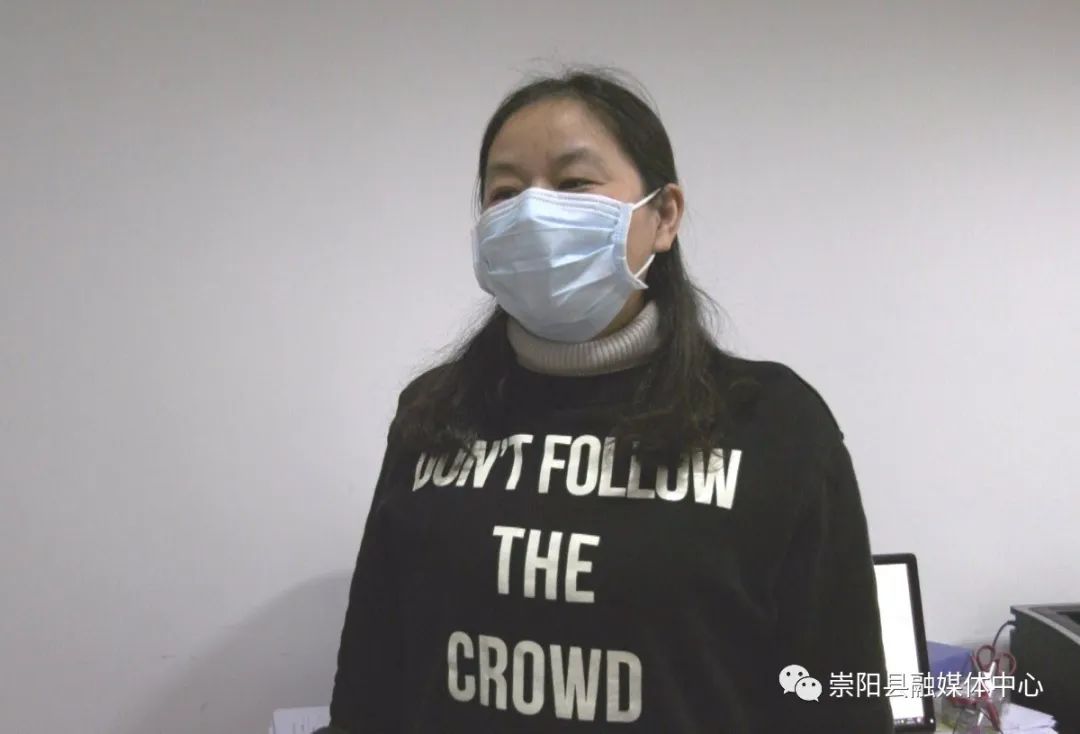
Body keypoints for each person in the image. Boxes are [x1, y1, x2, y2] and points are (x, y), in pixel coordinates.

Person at [315, 68, 893, 733]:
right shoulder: (434, 413)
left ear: (664, 215)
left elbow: (841, 706)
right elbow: (371, 682)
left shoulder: (774, 424)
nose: (534, 212)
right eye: (505, 192)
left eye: (574, 183)